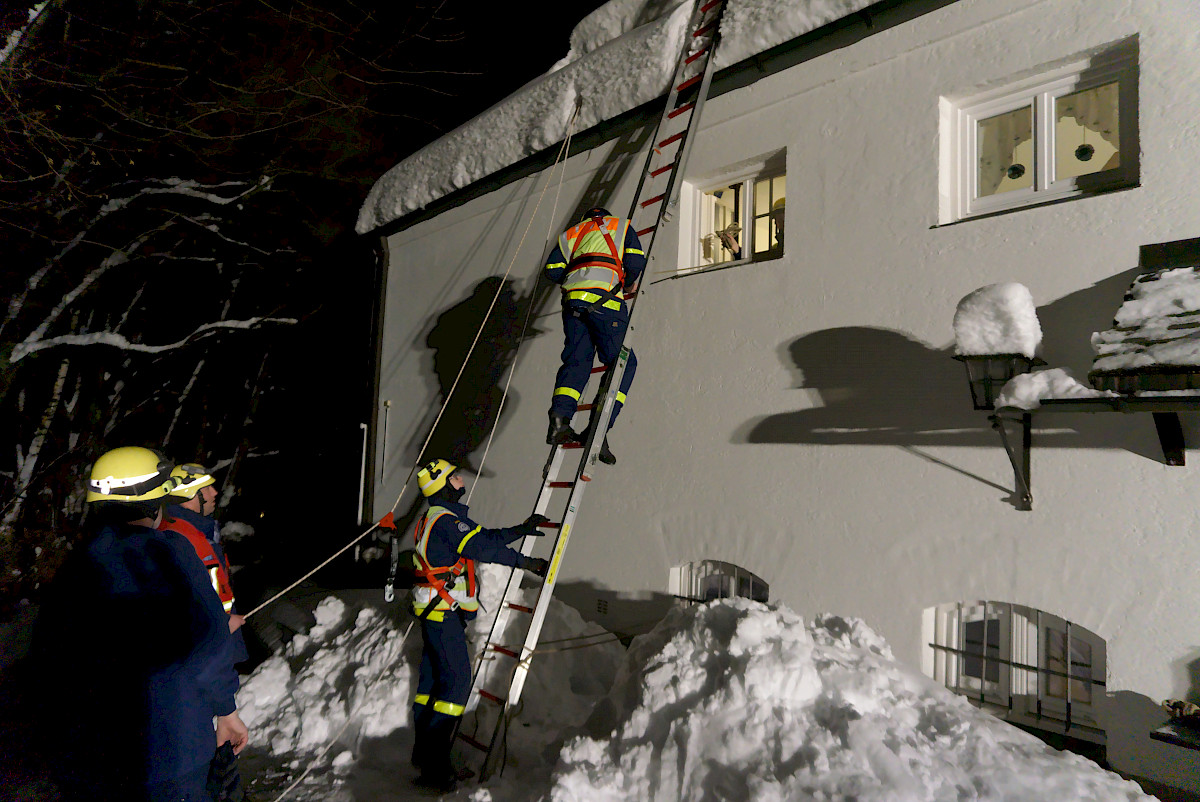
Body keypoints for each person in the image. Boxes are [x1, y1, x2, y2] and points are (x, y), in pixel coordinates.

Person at [33, 446, 248, 801]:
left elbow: (50, 660)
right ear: (152, 503)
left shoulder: (76, 568)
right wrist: (226, 710)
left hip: (92, 758)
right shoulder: (172, 554)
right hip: (171, 753)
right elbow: (207, 646)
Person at [409, 458, 549, 792]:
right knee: (456, 685)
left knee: (432, 684)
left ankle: (424, 757)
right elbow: (482, 547)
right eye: (454, 476)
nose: (461, 479)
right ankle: (436, 770)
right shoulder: (444, 520)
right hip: (442, 614)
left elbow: (482, 537)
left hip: (435, 613)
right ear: (444, 485)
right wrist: (526, 562)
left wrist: (520, 530)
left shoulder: (439, 517)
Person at [159, 462, 250, 801]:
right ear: (189, 496)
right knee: (207, 759)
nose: (214, 494)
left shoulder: (195, 530)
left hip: (212, 654)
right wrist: (220, 627)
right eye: (206, 489)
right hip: (204, 661)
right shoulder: (184, 538)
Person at [543, 205, 646, 464]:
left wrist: (581, 273)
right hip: (606, 302)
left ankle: (559, 422)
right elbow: (635, 261)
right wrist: (627, 280)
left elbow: (553, 270)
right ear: (607, 215)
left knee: (577, 362)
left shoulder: (572, 233)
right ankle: (599, 430)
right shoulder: (621, 226)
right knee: (622, 364)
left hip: (573, 304)